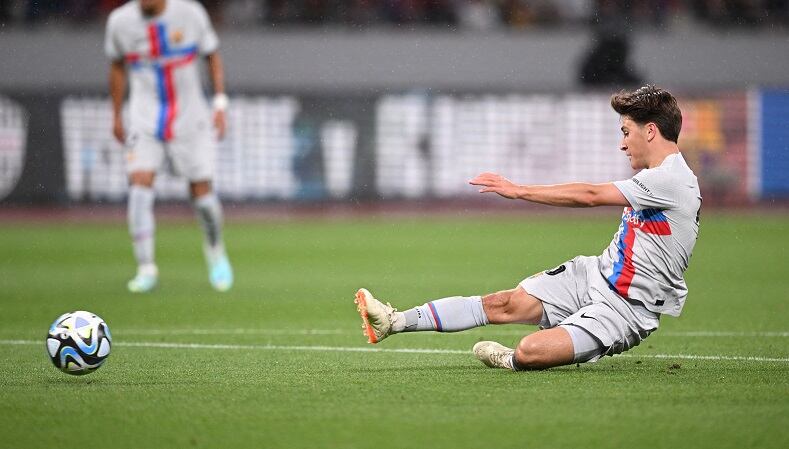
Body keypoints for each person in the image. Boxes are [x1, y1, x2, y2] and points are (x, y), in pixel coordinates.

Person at [354, 85, 701, 370]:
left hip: (625, 309)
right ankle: (393, 321)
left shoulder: (672, 180)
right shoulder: (657, 179)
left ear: (650, 131)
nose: (622, 143)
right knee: (502, 304)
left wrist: (519, 190)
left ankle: (509, 360)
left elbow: (591, 195)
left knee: (530, 352)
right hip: (594, 275)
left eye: (626, 132)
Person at [105, 0, 233, 293]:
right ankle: (146, 268)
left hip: (191, 117)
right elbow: (116, 67)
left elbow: (211, 56)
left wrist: (220, 103)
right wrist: (115, 114)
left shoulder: (191, 14)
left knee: (201, 192)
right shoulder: (120, 21)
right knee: (139, 183)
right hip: (143, 117)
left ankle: (216, 251)